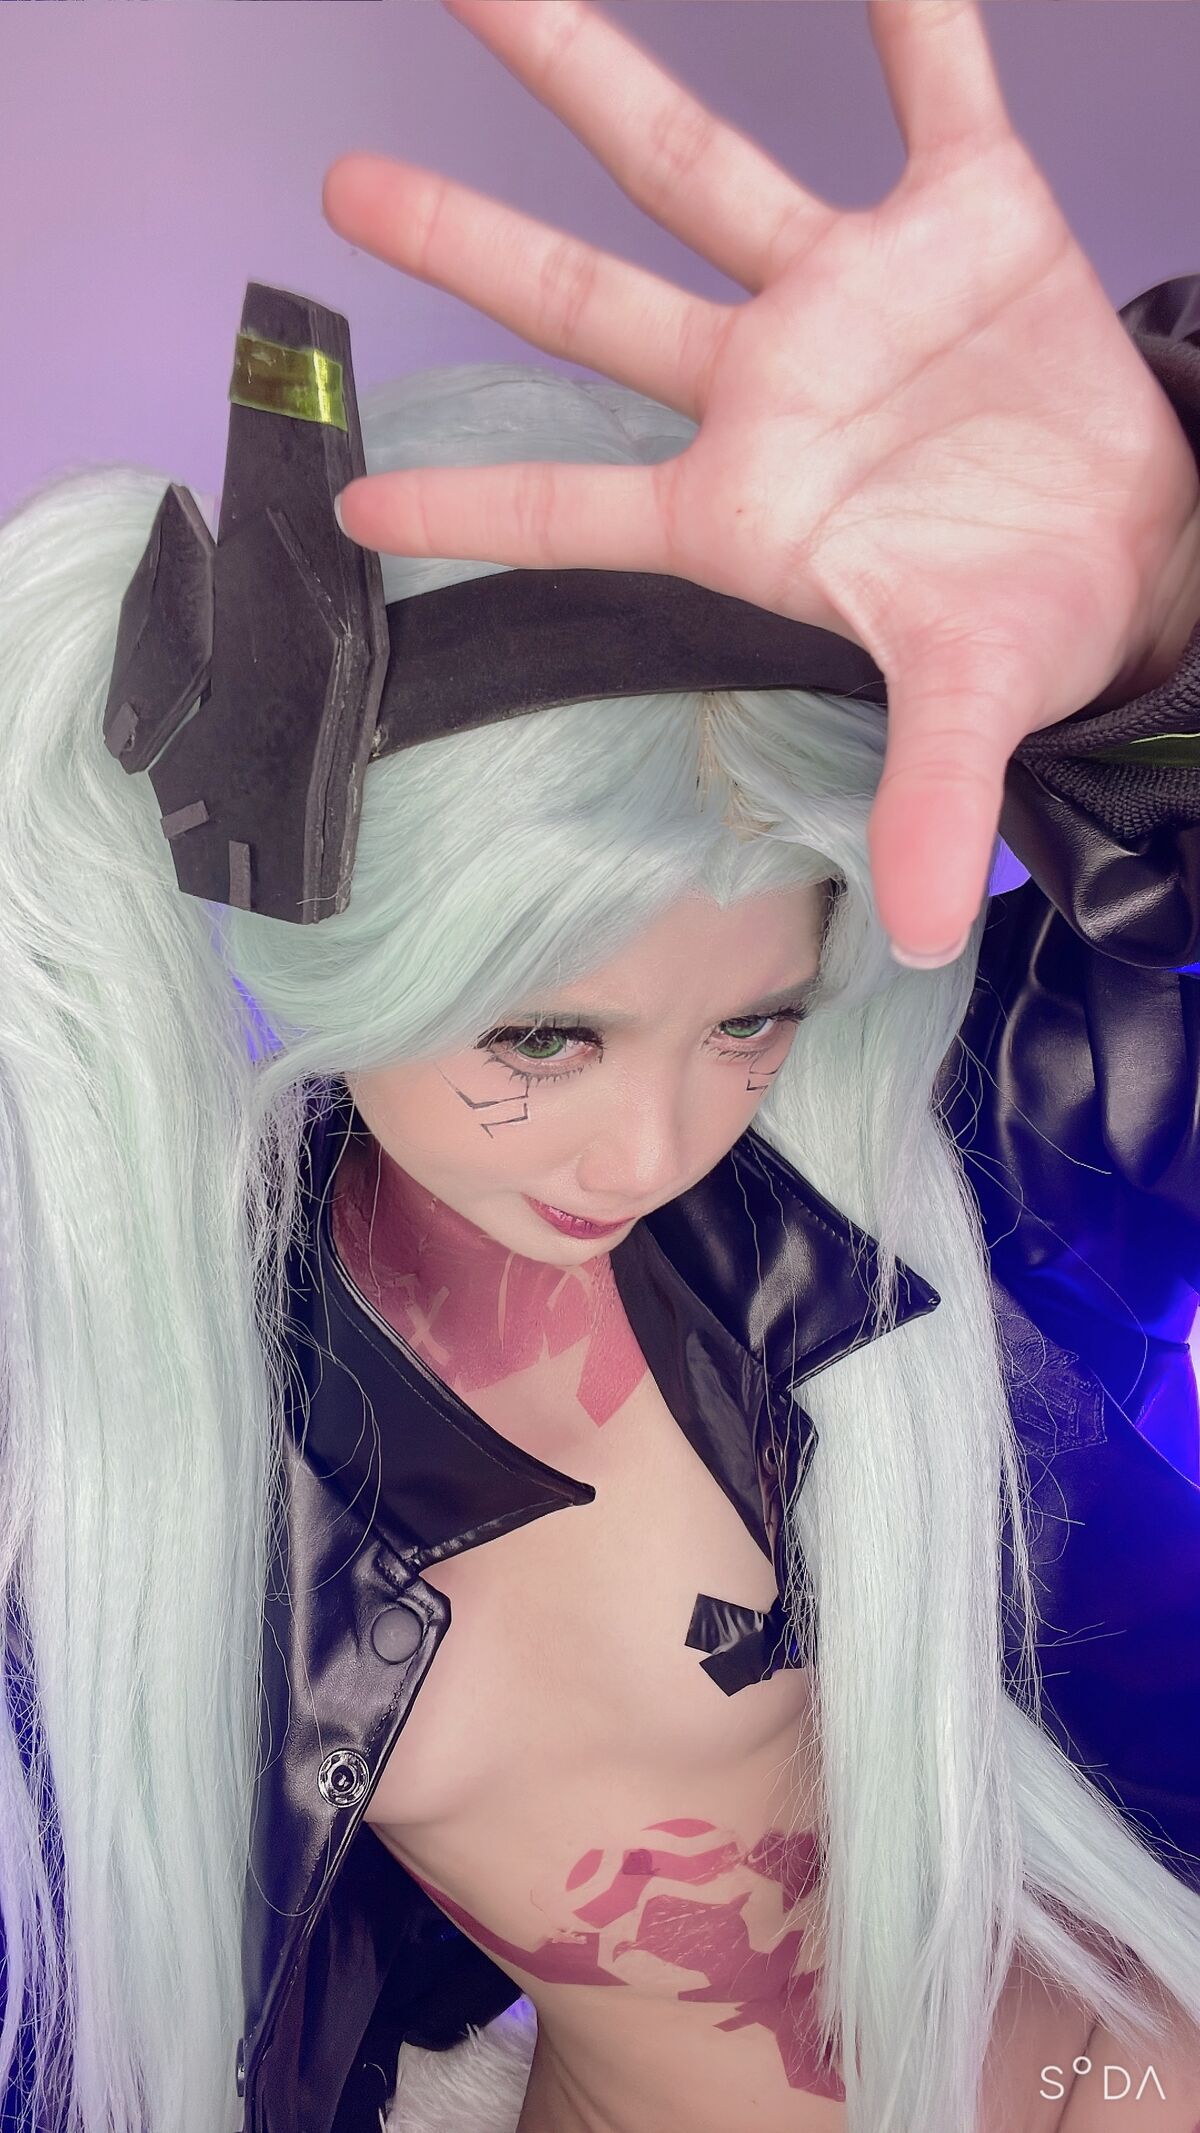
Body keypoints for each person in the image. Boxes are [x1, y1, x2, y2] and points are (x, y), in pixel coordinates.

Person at [1, 5, 1199, 2133]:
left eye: (754, 1015)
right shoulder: (148, 1440)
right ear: (370, 958)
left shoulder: (905, 1163)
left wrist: (1173, 582)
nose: (654, 1138)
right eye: (542, 1033)